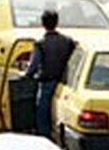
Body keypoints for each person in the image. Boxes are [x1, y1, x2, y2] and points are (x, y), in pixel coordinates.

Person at [24, 9, 75, 138]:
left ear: (43, 24)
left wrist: (26, 75)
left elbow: (34, 66)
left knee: (42, 110)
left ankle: (44, 136)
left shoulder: (40, 43)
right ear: (57, 22)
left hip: (46, 82)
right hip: (64, 82)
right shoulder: (67, 41)